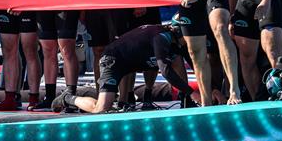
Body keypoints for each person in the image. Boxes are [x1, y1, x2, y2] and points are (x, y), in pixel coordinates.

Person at [61, 23, 197, 113]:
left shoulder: (176, 42)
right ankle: (68, 98)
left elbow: (195, 65)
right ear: (182, 35)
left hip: (133, 60)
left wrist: (210, 90)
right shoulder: (161, 38)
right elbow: (166, 71)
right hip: (113, 60)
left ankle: (186, 100)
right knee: (101, 109)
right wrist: (192, 91)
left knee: (176, 58)